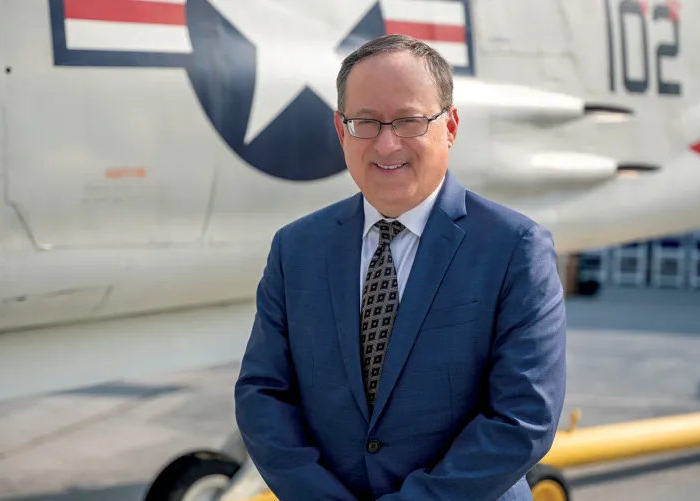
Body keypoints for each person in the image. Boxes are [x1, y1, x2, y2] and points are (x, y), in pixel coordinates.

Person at [234, 34, 567, 501]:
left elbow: (524, 418)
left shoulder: (516, 248)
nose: (387, 144)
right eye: (365, 122)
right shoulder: (296, 249)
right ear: (340, 129)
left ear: (449, 126)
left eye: (410, 121)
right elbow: (263, 395)